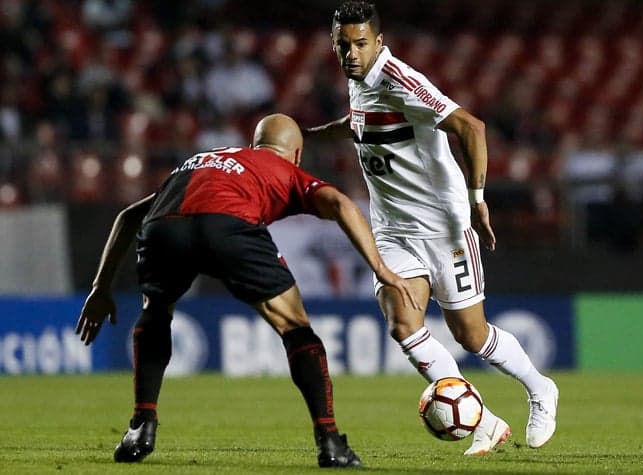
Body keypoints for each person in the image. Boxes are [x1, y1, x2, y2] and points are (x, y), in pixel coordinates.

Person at [75, 113, 420, 468]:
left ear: (254, 144)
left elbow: (128, 217)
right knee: (296, 328)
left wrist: (101, 287)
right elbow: (341, 204)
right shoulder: (285, 169)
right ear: (297, 154)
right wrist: (380, 267)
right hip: (229, 225)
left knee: (156, 310)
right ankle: (330, 441)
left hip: (165, 228)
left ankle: (141, 426)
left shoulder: (201, 161)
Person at [303, 1, 558, 455]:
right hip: (394, 231)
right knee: (402, 321)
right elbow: (358, 126)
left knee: (471, 336)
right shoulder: (356, 83)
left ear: (379, 42)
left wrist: (479, 200)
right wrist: (304, 137)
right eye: (343, 45)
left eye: (361, 43)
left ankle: (541, 390)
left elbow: (471, 127)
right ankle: (483, 421)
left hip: (443, 226)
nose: (351, 53)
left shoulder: (400, 79)